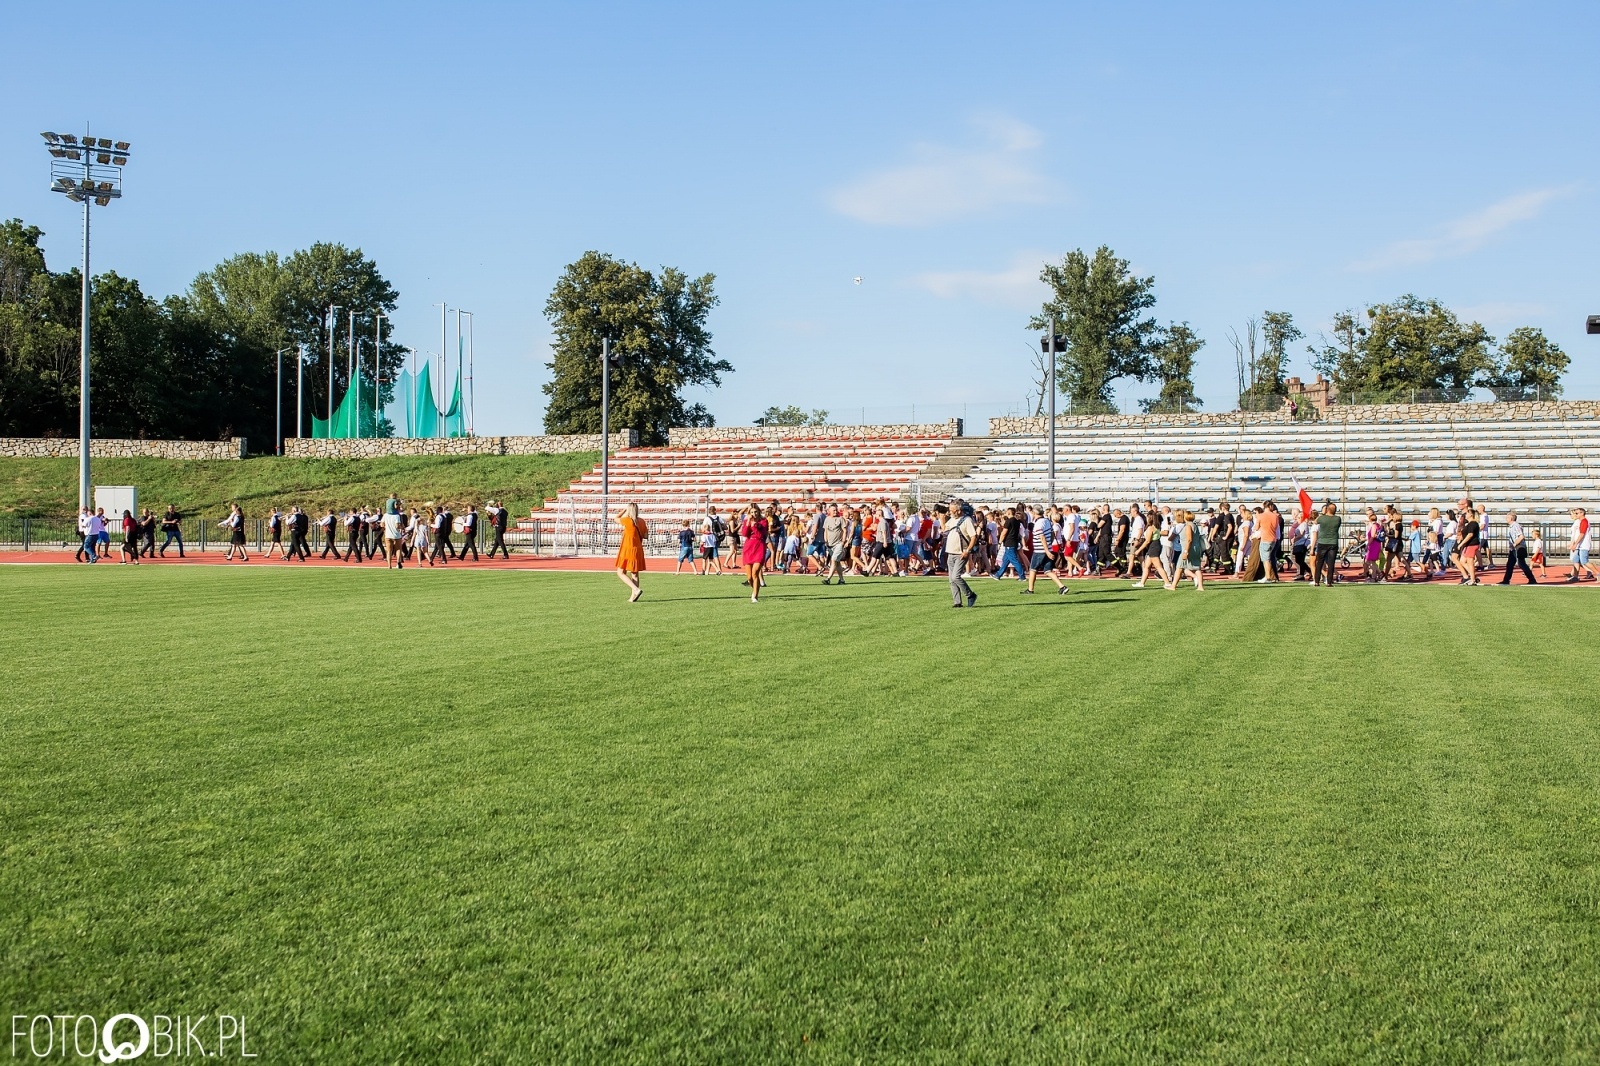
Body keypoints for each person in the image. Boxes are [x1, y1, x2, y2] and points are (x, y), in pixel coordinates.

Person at [1025, 504, 1069, 594]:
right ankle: (1062, 586)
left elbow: (1042, 537)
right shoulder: (1047, 521)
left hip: (1040, 550)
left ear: (1034, 512)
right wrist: (1049, 545)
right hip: (1047, 548)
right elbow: (1052, 534)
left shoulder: (1038, 523)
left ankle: (1030, 589)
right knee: (1048, 570)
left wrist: (1046, 550)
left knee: (1033, 569)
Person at [943, 501, 979, 608]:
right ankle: (957, 602)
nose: (950, 513)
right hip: (951, 552)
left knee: (955, 577)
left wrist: (967, 551)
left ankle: (970, 594)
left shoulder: (967, 520)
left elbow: (973, 536)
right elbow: (944, 530)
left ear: (958, 511)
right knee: (951, 579)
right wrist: (942, 518)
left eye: (951, 510)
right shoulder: (952, 519)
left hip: (961, 552)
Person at [614, 502, 647, 602]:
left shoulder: (627, 520)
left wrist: (624, 510)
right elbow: (646, 536)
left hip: (628, 549)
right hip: (638, 549)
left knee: (620, 572)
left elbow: (615, 518)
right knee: (635, 574)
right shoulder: (641, 521)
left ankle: (636, 589)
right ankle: (633, 597)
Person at [1166, 508, 1205, 591]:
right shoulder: (1195, 525)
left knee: (1179, 567)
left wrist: (1186, 552)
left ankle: (1173, 586)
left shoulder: (1188, 526)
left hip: (1188, 549)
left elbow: (1189, 540)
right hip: (1196, 548)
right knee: (1197, 568)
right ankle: (1200, 586)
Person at [740, 503, 769, 602]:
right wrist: (748, 522)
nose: (754, 514)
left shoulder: (764, 521)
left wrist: (755, 526)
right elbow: (744, 534)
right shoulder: (747, 521)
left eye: (755, 512)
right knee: (749, 577)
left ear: (759, 511)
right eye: (752, 512)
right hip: (748, 547)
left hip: (759, 546)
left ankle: (755, 596)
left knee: (755, 573)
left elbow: (761, 535)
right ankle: (754, 590)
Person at [1498, 510, 1536, 585]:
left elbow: (1521, 536)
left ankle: (1532, 579)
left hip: (1517, 548)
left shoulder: (1515, 526)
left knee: (1521, 564)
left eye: (1507, 517)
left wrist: (1514, 544)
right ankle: (1506, 580)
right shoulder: (1512, 526)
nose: (1506, 518)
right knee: (1510, 564)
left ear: (1511, 518)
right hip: (1514, 548)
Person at [1311, 501, 1340, 587]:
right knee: (1331, 563)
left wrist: (1323, 513)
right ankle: (1329, 582)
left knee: (1319, 562)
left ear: (1327, 510)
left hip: (1322, 542)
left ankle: (1316, 581)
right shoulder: (1338, 518)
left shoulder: (1322, 518)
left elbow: (1315, 522)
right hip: (1333, 542)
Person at [820, 504, 848, 586]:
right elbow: (825, 531)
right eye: (833, 510)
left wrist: (843, 541)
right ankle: (842, 579)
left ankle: (828, 578)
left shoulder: (840, 519)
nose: (835, 512)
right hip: (830, 544)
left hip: (838, 543)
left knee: (833, 559)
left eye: (836, 510)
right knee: (837, 562)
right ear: (829, 511)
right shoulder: (827, 519)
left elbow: (844, 530)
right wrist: (825, 540)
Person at [1566, 507, 1595, 583]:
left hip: (1583, 545)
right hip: (1580, 545)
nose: (1575, 515)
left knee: (1584, 562)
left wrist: (1574, 544)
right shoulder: (1580, 521)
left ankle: (1598, 573)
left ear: (1582, 513)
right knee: (1576, 560)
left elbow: (1582, 534)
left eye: (1577, 513)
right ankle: (1575, 576)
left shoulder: (1584, 521)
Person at [1456, 506, 1482, 585]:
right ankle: (1473, 576)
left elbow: (1470, 535)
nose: (1465, 514)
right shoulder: (1470, 523)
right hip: (1468, 545)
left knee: (1470, 562)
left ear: (1471, 514)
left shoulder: (1473, 523)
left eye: (1467, 513)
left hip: (1471, 544)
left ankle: (1473, 580)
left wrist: (1461, 543)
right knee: (1462, 561)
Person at [383, 501, 406, 569]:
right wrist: (402, 527)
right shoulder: (397, 516)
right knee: (398, 549)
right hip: (396, 534)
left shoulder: (385, 515)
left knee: (389, 550)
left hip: (388, 534)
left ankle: (389, 565)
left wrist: (386, 527)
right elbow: (397, 526)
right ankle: (398, 562)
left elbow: (382, 524)